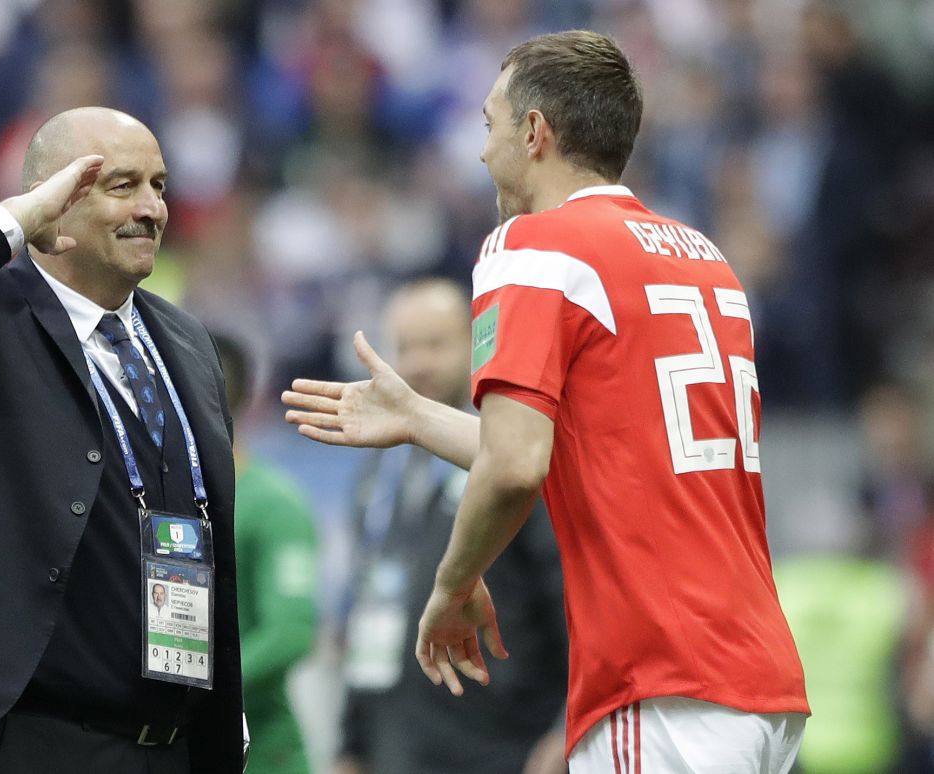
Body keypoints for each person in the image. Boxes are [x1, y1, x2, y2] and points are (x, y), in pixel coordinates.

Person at [283, 30, 810, 773]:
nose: (481, 151)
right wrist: (416, 418)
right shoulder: (705, 257)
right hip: (758, 682)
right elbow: (581, 454)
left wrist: (454, 583)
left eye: (490, 125)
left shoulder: (532, 246)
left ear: (535, 133)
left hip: (655, 678)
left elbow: (515, 467)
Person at [0, 107, 245, 773]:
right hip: (34, 736)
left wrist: (219, 712)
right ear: (55, 203)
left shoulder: (188, 340)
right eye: (122, 186)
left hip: (169, 742)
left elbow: (207, 535)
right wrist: (14, 219)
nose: (152, 207)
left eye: (159, 185)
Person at [333, 278, 568, 774]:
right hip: (399, 748)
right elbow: (369, 606)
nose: (419, 363)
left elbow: (569, 597)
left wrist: (566, 727)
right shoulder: (379, 474)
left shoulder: (512, 459)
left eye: (436, 344)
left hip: (505, 745)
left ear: (474, 346)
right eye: (406, 347)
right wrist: (350, 744)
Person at [213, 332, 318, 774]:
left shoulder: (272, 505)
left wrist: (201, 685)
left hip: (261, 756)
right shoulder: (153, 498)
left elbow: (291, 631)